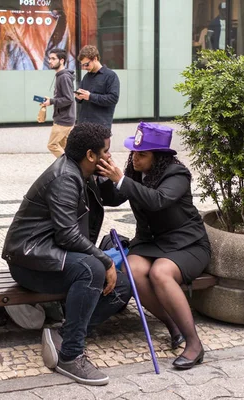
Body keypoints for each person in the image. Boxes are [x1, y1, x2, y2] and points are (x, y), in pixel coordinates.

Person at [2, 123, 132, 386]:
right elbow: (67, 235)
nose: (109, 156)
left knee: (124, 283)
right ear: (90, 155)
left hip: (54, 255)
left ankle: (61, 332)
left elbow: (114, 196)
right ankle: (70, 355)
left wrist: (123, 176)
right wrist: (104, 259)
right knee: (92, 270)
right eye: (105, 152)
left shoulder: (85, 173)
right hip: (29, 258)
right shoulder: (65, 177)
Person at [96, 122, 210, 370]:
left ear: (158, 157)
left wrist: (121, 180)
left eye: (142, 154)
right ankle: (172, 324)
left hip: (186, 244)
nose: (135, 158)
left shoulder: (177, 174)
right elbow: (113, 198)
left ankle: (194, 344)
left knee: (160, 272)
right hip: (151, 243)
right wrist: (105, 177)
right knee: (133, 270)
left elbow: (157, 201)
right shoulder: (136, 173)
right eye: (134, 152)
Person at [75, 45, 120, 130]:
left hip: (100, 127)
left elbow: (113, 98)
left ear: (95, 59)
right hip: (83, 126)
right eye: (82, 65)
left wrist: (90, 96)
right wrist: (79, 97)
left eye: (86, 64)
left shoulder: (110, 76)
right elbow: (80, 100)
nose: (84, 68)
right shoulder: (86, 77)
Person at [41, 48, 76, 158]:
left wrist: (51, 101)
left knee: (52, 145)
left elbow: (68, 99)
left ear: (61, 60)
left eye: (53, 59)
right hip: (65, 117)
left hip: (63, 119)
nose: (50, 61)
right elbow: (65, 97)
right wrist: (51, 100)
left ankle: (67, 166)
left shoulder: (64, 77)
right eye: (49, 58)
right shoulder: (61, 76)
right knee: (65, 147)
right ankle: (73, 169)